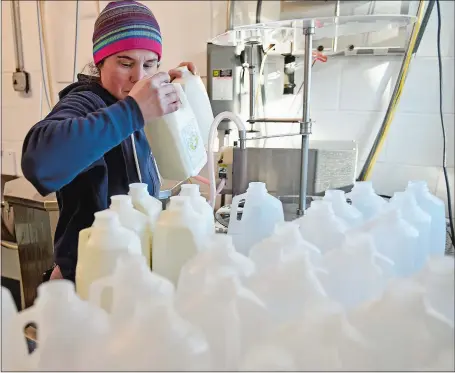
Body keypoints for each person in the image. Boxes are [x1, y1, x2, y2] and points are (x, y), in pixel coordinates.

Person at [21, 0, 198, 281]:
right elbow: (39, 162)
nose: (139, 78)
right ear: (100, 61)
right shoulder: (86, 103)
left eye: (149, 64)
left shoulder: (138, 101)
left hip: (133, 274)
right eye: (125, 63)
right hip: (89, 278)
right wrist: (134, 110)